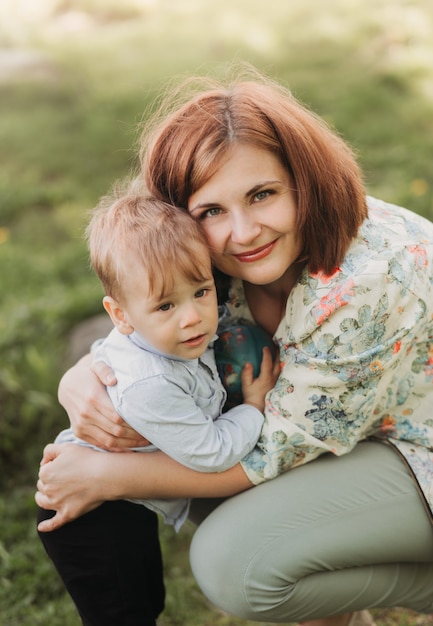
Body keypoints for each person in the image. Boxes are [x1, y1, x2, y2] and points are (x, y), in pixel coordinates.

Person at [36, 65, 433, 626]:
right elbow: (150, 313)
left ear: (306, 181)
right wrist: (80, 375)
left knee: (236, 562)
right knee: (191, 444)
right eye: (212, 211)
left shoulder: (370, 279)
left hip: (422, 448)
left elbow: (271, 454)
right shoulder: (206, 260)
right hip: (359, 434)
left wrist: (109, 477)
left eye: (263, 194)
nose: (243, 233)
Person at [37, 188, 279, 626]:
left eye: (201, 292)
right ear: (121, 315)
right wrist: (256, 405)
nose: (192, 318)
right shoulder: (150, 382)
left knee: (146, 600)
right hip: (91, 511)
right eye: (166, 304)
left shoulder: (168, 335)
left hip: (124, 496)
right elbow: (213, 453)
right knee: (124, 613)